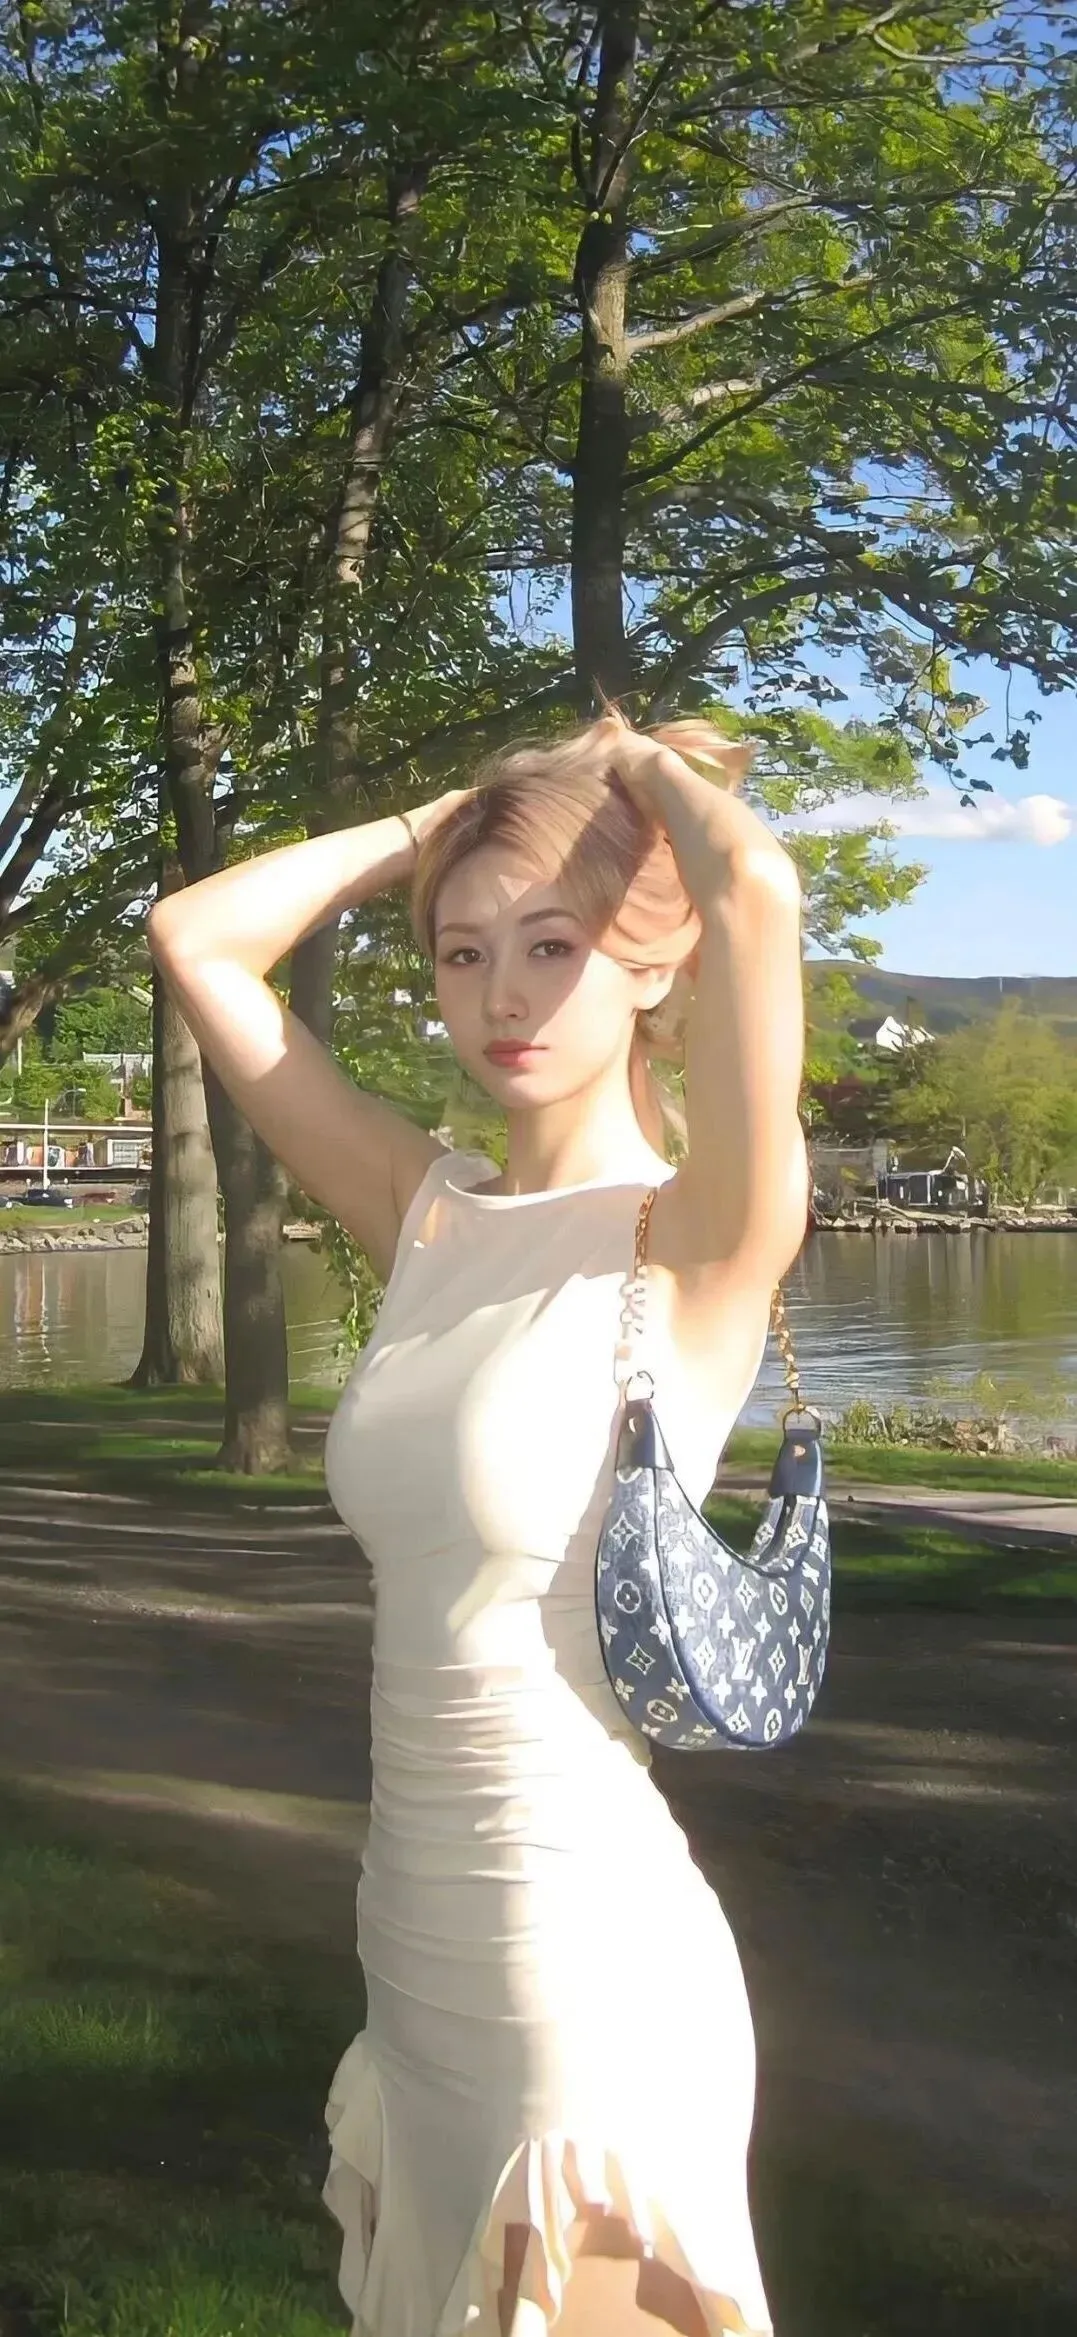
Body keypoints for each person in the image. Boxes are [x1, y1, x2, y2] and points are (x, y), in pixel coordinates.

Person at [146, 702, 809, 2337]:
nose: (502, 994)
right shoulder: (427, 1212)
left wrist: (629, 774)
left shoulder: (703, 1229)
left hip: (584, 1982)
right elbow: (197, 939)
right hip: (412, 1953)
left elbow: (756, 891)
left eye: (554, 945)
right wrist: (448, 817)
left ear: (652, 965)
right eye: (461, 953)